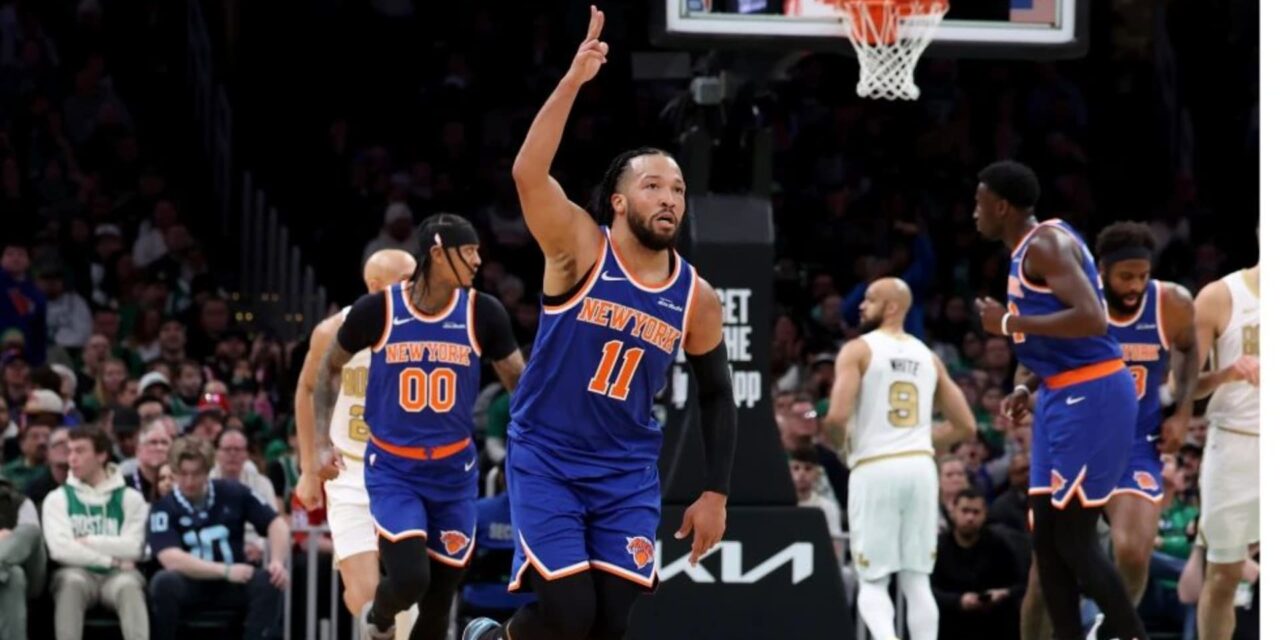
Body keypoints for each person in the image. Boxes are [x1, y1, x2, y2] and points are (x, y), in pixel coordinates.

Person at [466, 8, 737, 639]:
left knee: (610, 624)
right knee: (570, 614)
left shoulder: (697, 297)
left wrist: (715, 493)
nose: (668, 197)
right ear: (619, 200)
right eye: (651, 186)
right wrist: (573, 81)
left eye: (676, 189)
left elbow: (718, 395)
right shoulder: (581, 249)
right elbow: (527, 175)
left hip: (625, 470)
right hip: (549, 458)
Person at [315, 215, 524, 640]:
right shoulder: (380, 309)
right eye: (469, 252)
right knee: (412, 579)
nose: (478, 260)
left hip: (453, 472)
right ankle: (380, 615)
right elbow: (328, 371)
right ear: (437, 253)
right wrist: (321, 440)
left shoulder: (483, 312)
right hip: (395, 469)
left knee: (440, 596)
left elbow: (519, 383)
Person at [974, 160, 1145, 640]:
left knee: (1074, 538)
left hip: (1091, 393)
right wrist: (1026, 384)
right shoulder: (1029, 250)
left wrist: (1008, 324)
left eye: (979, 202)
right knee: (1046, 541)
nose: (974, 213)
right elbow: (1050, 337)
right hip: (1058, 393)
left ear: (1002, 206)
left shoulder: (1045, 244)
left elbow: (1091, 319)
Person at [1012, 221, 1201, 632]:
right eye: (1125, 276)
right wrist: (1022, 391)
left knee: (1134, 551)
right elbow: (1029, 361)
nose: (1135, 285)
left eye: (1142, 275)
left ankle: (1108, 628)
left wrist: (1183, 412)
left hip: (1134, 440)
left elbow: (1189, 348)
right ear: (1101, 272)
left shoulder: (1171, 303)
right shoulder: (1071, 298)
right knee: (1044, 579)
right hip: (1074, 437)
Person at [823, 277, 977, 640]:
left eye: (870, 299)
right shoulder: (928, 356)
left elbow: (834, 419)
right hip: (920, 468)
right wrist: (927, 439)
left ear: (892, 307)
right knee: (917, 579)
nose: (861, 305)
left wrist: (844, 447)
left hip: (875, 466)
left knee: (873, 580)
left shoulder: (858, 350)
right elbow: (966, 425)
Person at [293, 249, 420, 627]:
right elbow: (306, 389)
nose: (416, 287)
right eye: (406, 280)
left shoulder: (426, 329)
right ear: (376, 286)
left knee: (409, 593)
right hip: (351, 472)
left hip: (404, 470)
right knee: (365, 599)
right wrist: (308, 467)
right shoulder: (332, 331)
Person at [146, 436, 290, 640]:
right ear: (175, 473)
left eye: (196, 474)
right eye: (183, 474)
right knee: (163, 582)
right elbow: (170, 558)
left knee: (270, 581)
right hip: (193, 581)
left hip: (234, 582)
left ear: (207, 471)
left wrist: (276, 561)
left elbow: (277, 524)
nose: (189, 481)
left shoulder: (233, 491)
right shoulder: (163, 508)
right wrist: (224, 571)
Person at [1190, 258, 1259, 640]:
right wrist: (1227, 374)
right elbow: (1184, 385)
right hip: (1234, 442)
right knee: (1223, 575)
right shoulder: (1220, 296)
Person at [41, 426, 149, 640]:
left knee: (129, 585)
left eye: (80, 451)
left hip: (119, 576)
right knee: (70, 582)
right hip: (78, 572)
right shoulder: (57, 498)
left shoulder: (130, 498)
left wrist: (88, 540)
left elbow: (135, 547)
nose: (71, 458)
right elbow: (60, 550)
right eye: (69, 451)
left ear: (101, 455)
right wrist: (110, 560)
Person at [932, 488, 1025, 640]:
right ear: (953, 512)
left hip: (993, 626)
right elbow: (930, 590)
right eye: (965, 511)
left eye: (976, 512)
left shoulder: (999, 545)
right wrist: (959, 601)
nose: (970, 517)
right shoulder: (939, 547)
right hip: (950, 626)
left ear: (985, 514)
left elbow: (1020, 585)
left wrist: (1003, 594)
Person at [0, 475, 45, 640]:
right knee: (13, 576)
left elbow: (30, 538)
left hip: (31, 577)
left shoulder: (18, 500)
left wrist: (7, 542)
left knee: (31, 531)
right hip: (11, 579)